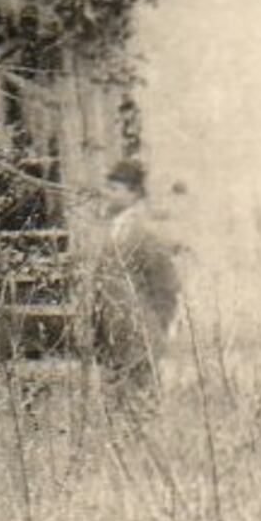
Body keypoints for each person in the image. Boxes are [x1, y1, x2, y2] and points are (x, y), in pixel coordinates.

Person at [81, 158, 183, 393]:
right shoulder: (110, 229)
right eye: (107, 188)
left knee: (140, 403)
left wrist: (155, 332)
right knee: (116, 405)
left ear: (134, 193)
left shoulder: (145, 232)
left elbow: (166, 287)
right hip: (112, 335)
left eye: (114, 189)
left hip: (139, 337)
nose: (107, 194)